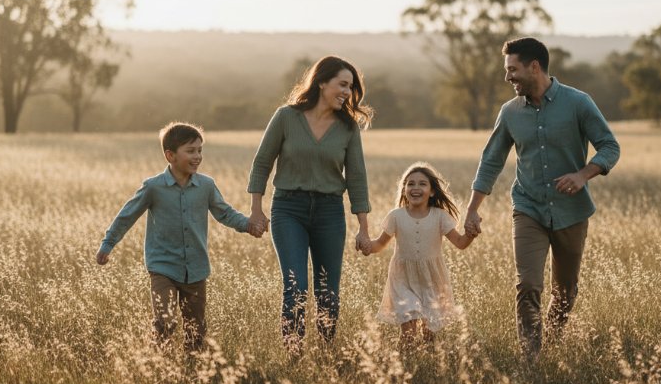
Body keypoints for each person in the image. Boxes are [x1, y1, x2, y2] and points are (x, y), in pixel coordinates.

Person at [464, 37, 620, 360]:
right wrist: (472, 209)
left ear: (534, 67)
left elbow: (610, 147)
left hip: (572, 212)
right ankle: (531, 357)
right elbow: (491, 160)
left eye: (512, 70)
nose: (508, 77)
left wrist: (582, 175)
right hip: (528, 209)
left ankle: (551, 342)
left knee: (564, 292)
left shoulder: (578, 103)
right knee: (528, 286)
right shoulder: (509, 113)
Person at [96, 122, 262, 353]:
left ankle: (193, 371)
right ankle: (158, 363)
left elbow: (224, 213)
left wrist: (248, 225)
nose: (197, 156)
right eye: (191, 151)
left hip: (195, 268)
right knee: (165, 322)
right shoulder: (154, 187)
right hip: (163, 267)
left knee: (196, 330)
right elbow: (127, 215)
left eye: (200, 150)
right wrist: (108, 244)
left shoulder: (206, 185)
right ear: (170, 155)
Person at [247, 55, 374, 354]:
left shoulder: (348, 128)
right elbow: (262, 162)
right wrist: (256, 208)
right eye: (342, 84)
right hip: (288, 209)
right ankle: (294, 355)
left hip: (330, 212)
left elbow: (357, 177)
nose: (347, 92)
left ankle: (326, 354)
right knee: (296, 287)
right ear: (321, 82)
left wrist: (363, 229)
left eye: (351, 87)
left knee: (328, 291)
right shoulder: (286, 117)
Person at [367, 162, 476, 351]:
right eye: (410, 184)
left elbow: (460, 243)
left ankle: (429, 365)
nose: (415, 188)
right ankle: (403, 365)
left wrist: (470, 234)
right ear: (404, 190)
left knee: (428, 333)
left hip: (431, 280)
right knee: (408, 329)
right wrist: (367, 246)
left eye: (422, 184)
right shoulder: (396, 216)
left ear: (432, 191)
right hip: (402, 279)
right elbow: (379, 244)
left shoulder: (440, 216)